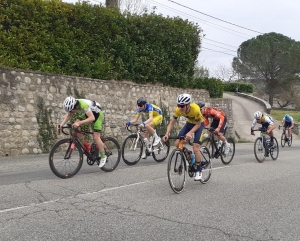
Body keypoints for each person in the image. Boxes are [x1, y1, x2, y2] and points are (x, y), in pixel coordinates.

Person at [162, 94, 205, 181]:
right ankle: (190, 155)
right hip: (189, 124)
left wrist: (190, 133)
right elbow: (172, 123)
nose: (180, 108)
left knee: (196, 148)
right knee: (177, 143)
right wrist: (167, 134)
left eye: (182, 106)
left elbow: (198, 124)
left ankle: (199, 170)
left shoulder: (196, 109)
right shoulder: (178, 110)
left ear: (188, 105)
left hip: (199, 125)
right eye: (178, 105)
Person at [59, 96, 107, 168]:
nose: (71, 112)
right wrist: (61, 124)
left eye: (71, 110)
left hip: (97, 114)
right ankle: (86, 146)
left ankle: (103, 156)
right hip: (90, 112)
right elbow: (69, 115)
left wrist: (79, 123)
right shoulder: (74, 105)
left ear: (74, 107)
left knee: (96, 137)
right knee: (75, 125)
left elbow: (92, 118)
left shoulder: (82, 105)